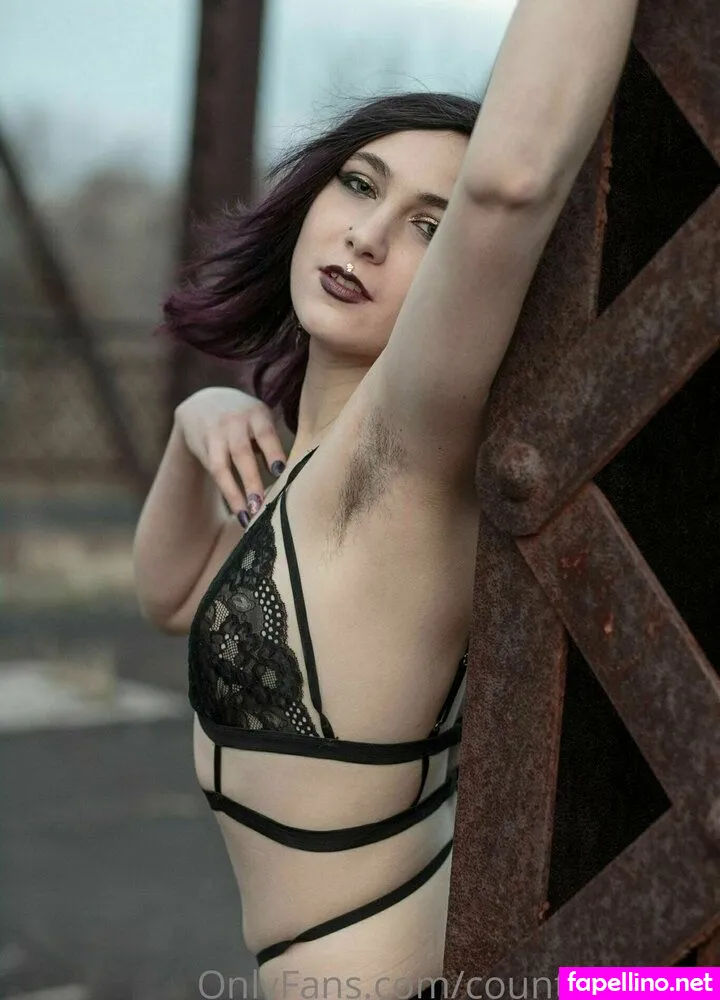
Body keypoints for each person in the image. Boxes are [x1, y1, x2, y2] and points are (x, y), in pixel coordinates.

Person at [133, 1, 639, 996]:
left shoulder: (403, 451)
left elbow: (511, 183)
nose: (366, 238)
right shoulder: (312, 468)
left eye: (429, 229)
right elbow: (173, 595)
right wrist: (198, 424)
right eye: (360, 184)